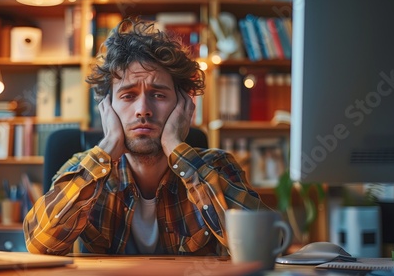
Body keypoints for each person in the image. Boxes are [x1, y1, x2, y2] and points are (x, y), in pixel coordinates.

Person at [23, 18, 269, 256]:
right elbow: (39, 244)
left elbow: (263, 244)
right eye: (128, 96)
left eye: (159, 95)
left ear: (183, 106)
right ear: (107, 108)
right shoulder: (83, 170)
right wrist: (107, 147)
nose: (143, 109)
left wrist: (176, 147)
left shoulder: (218, 167)